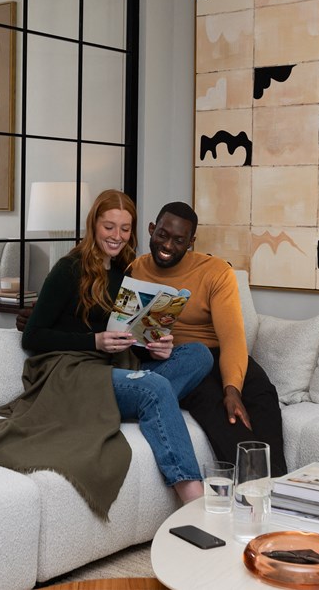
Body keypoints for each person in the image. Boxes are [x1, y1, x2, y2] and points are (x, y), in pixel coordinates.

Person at [22, 189, 213, 504]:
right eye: (109, 226)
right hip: (73, 374)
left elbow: (125, 335)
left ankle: (136, 405)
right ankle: (192, 496)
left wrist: (154, 347)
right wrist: (93, 341)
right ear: (94, 223)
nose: (117, 236)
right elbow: (32, 337)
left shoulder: (125, 269)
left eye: (125, 228)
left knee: (197, 354)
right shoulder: (68, 269)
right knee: (154, 387)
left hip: (115, 369)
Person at [130, 201, 287, 476]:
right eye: (162, 235)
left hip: (218, 354)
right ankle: (251, 483)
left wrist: (232, 389)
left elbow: (233, 339)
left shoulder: (215, 271)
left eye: (179, 240)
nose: (168, 246)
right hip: (180, 360)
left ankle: (279, 484)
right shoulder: (134, 270)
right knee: (220, 410)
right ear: (152, 229)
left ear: (191, 242)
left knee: (261, 394)